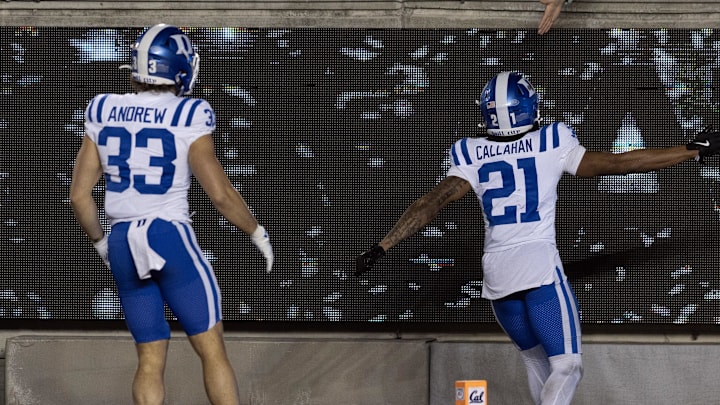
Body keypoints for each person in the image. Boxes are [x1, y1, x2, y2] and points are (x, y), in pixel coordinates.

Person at [355, 71, 720, 405]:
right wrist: (690, 150)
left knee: (537, 363)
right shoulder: (551, 139)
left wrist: (382, 245)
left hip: (497, 275)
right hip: (538, 266)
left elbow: (429, 202)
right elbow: (618, 163)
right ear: (528, 106)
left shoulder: (470, 151)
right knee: (568, 366)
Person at [70, 24, 274, 405]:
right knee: (211, 349)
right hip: (167, 234)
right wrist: (256, 231)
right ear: (179, 67)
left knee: (149, 358)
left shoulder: (103, 107)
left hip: (121, 240)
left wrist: (101, 242)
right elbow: (221, 194)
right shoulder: (190, 112)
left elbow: (79, 196)